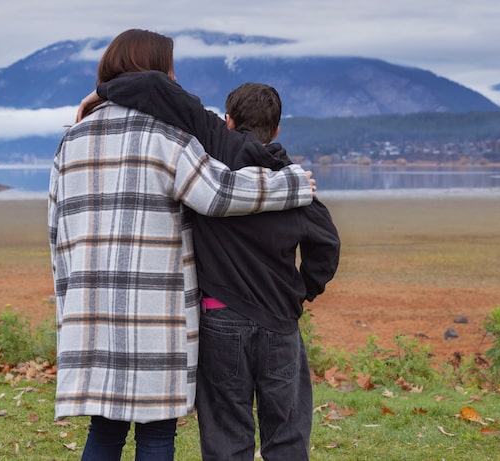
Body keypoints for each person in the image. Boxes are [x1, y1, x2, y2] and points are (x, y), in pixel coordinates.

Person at [49, 29, 316, 461]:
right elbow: (219, 194)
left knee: (104, 429)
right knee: (156, 432)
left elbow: (58, 235)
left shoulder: (72, 140)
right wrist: (294, 183)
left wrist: (69, 307)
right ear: (156, 71)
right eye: (170, 69)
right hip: (156, 312)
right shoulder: (167, 136)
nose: (175, 78)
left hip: (91, 306)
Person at [94, 73, 341, 459]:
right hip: (280, 321)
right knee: (287, 438)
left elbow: (157, 87)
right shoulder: (292, 179)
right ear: (276, 130)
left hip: (220, 318)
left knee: (227, 439)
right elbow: (326, 245)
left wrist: (101, 93)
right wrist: (301, 291)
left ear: (228, 120)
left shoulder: (212, 147)